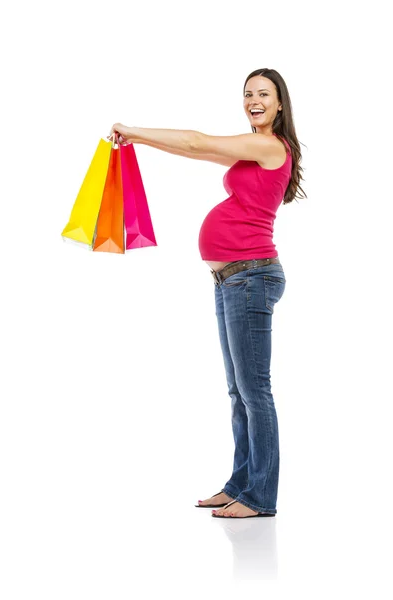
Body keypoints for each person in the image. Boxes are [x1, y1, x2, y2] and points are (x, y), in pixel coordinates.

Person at [108, 68, 306, 519]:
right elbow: (194, 151)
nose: (253, 100)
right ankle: (240, 485)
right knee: (240, 392)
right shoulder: (252, 150)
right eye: (247, 94)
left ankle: (260, 498)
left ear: (280, 105)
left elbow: (198, 141)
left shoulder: (270, 146)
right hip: (231, 280)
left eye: (263, 94)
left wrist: (133, 129)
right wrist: (140, 143)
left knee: (255, 392)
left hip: (251, 277)